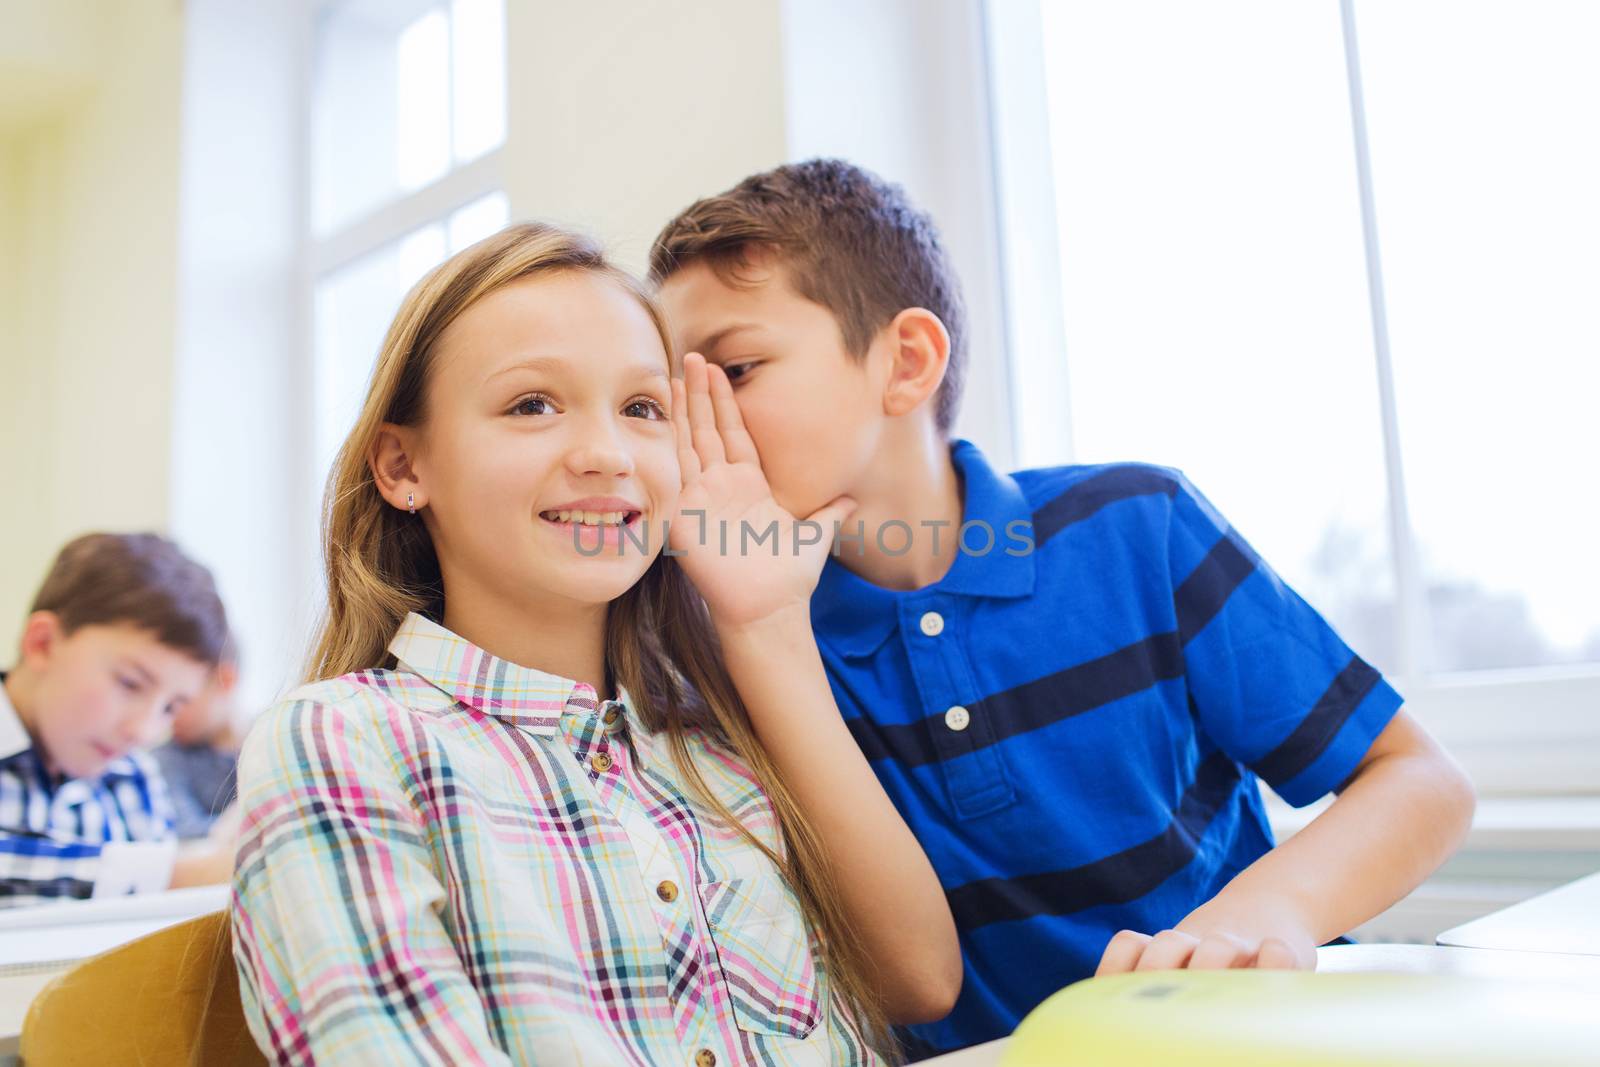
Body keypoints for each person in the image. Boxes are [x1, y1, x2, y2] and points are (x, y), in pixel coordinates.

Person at [649, 158, 1477, 1057]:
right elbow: (903, 984)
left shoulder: (1134, 528)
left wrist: (1260, 911)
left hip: (1256, 1039)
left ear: (907, 362)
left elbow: (1421, 781)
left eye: (733, 370)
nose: (696, 426)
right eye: (667, 396)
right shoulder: (741, 645)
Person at [230, 222, 961, 1065]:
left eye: (643, 409)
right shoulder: (342, 741)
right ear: (402, 466)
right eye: (531, 404)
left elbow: (919, 982)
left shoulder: (715, 735)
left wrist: (766, 625)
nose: (607, 453)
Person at [1, 532, 235, 907]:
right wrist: (181, 875)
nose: (143, 731)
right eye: (129, 683)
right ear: (42, 644)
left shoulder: (135, 777)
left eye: (171, 707)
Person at [152, 633, 241, 839]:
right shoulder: (166, 759)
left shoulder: (271, 741)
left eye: (181, 700)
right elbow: (185, 834)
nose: (167, 716)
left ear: (225, 681)